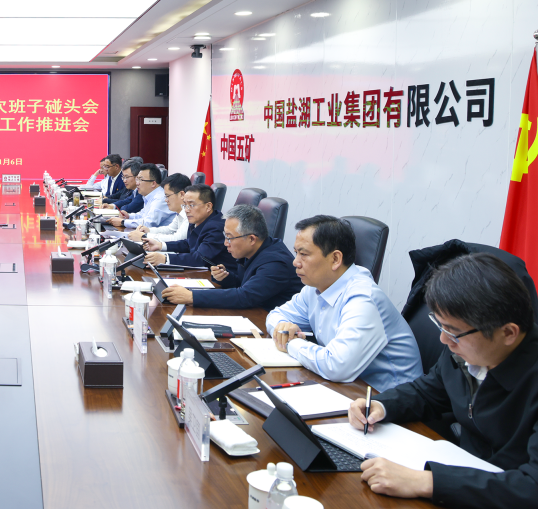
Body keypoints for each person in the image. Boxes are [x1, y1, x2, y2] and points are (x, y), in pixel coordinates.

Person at [348, 253, 538, 507]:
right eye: (441, 327)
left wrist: (426, 482)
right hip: (465, 478)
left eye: (453, 332)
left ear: (508, 333)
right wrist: (381, 405)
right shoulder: (464, 349)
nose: (444, 340)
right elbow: (429, 391)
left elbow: (532, 486)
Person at [266, 215, 421, 391]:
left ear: (335, 259)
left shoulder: (363, 298)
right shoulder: (316, 286)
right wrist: (283, 328)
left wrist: (290, 343)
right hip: (350, 387)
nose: (295, 262)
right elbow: (275, 315)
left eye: (304, 254)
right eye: (296, 253)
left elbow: (336, 366)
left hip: (388, 399)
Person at [162, 204, 302, 309]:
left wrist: (191, 296)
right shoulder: (253, 251)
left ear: (251, 239)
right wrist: (226, 278)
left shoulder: (275, 263)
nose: (225, 243)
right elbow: (244, 284)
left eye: (229, 237)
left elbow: (245, 296)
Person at [145, 183, 236, 272]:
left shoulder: (217, 228)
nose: (186, 210)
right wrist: (160, 245)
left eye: (191, 205)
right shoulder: (198, 220)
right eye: (185, 205)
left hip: (220, 277)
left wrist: (165, 258)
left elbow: (200, 258)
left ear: (208, 206)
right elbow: (188, 244)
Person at [130, 173, 191, 243]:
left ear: (182, 195)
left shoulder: (190, 213)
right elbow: (169, 229)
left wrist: (145, 236)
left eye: (167, 196)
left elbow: (178, 238)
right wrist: (148, 230)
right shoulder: (180, 212)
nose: (166, 200)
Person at [109, 164, 174, 230]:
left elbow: (149, 223)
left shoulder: (160, 198)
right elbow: (143, 215)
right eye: (137, 179)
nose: (137, 183)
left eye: (141, 180)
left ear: (153, 183)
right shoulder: (149, 196)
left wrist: (123, 222)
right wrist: (128, 216)